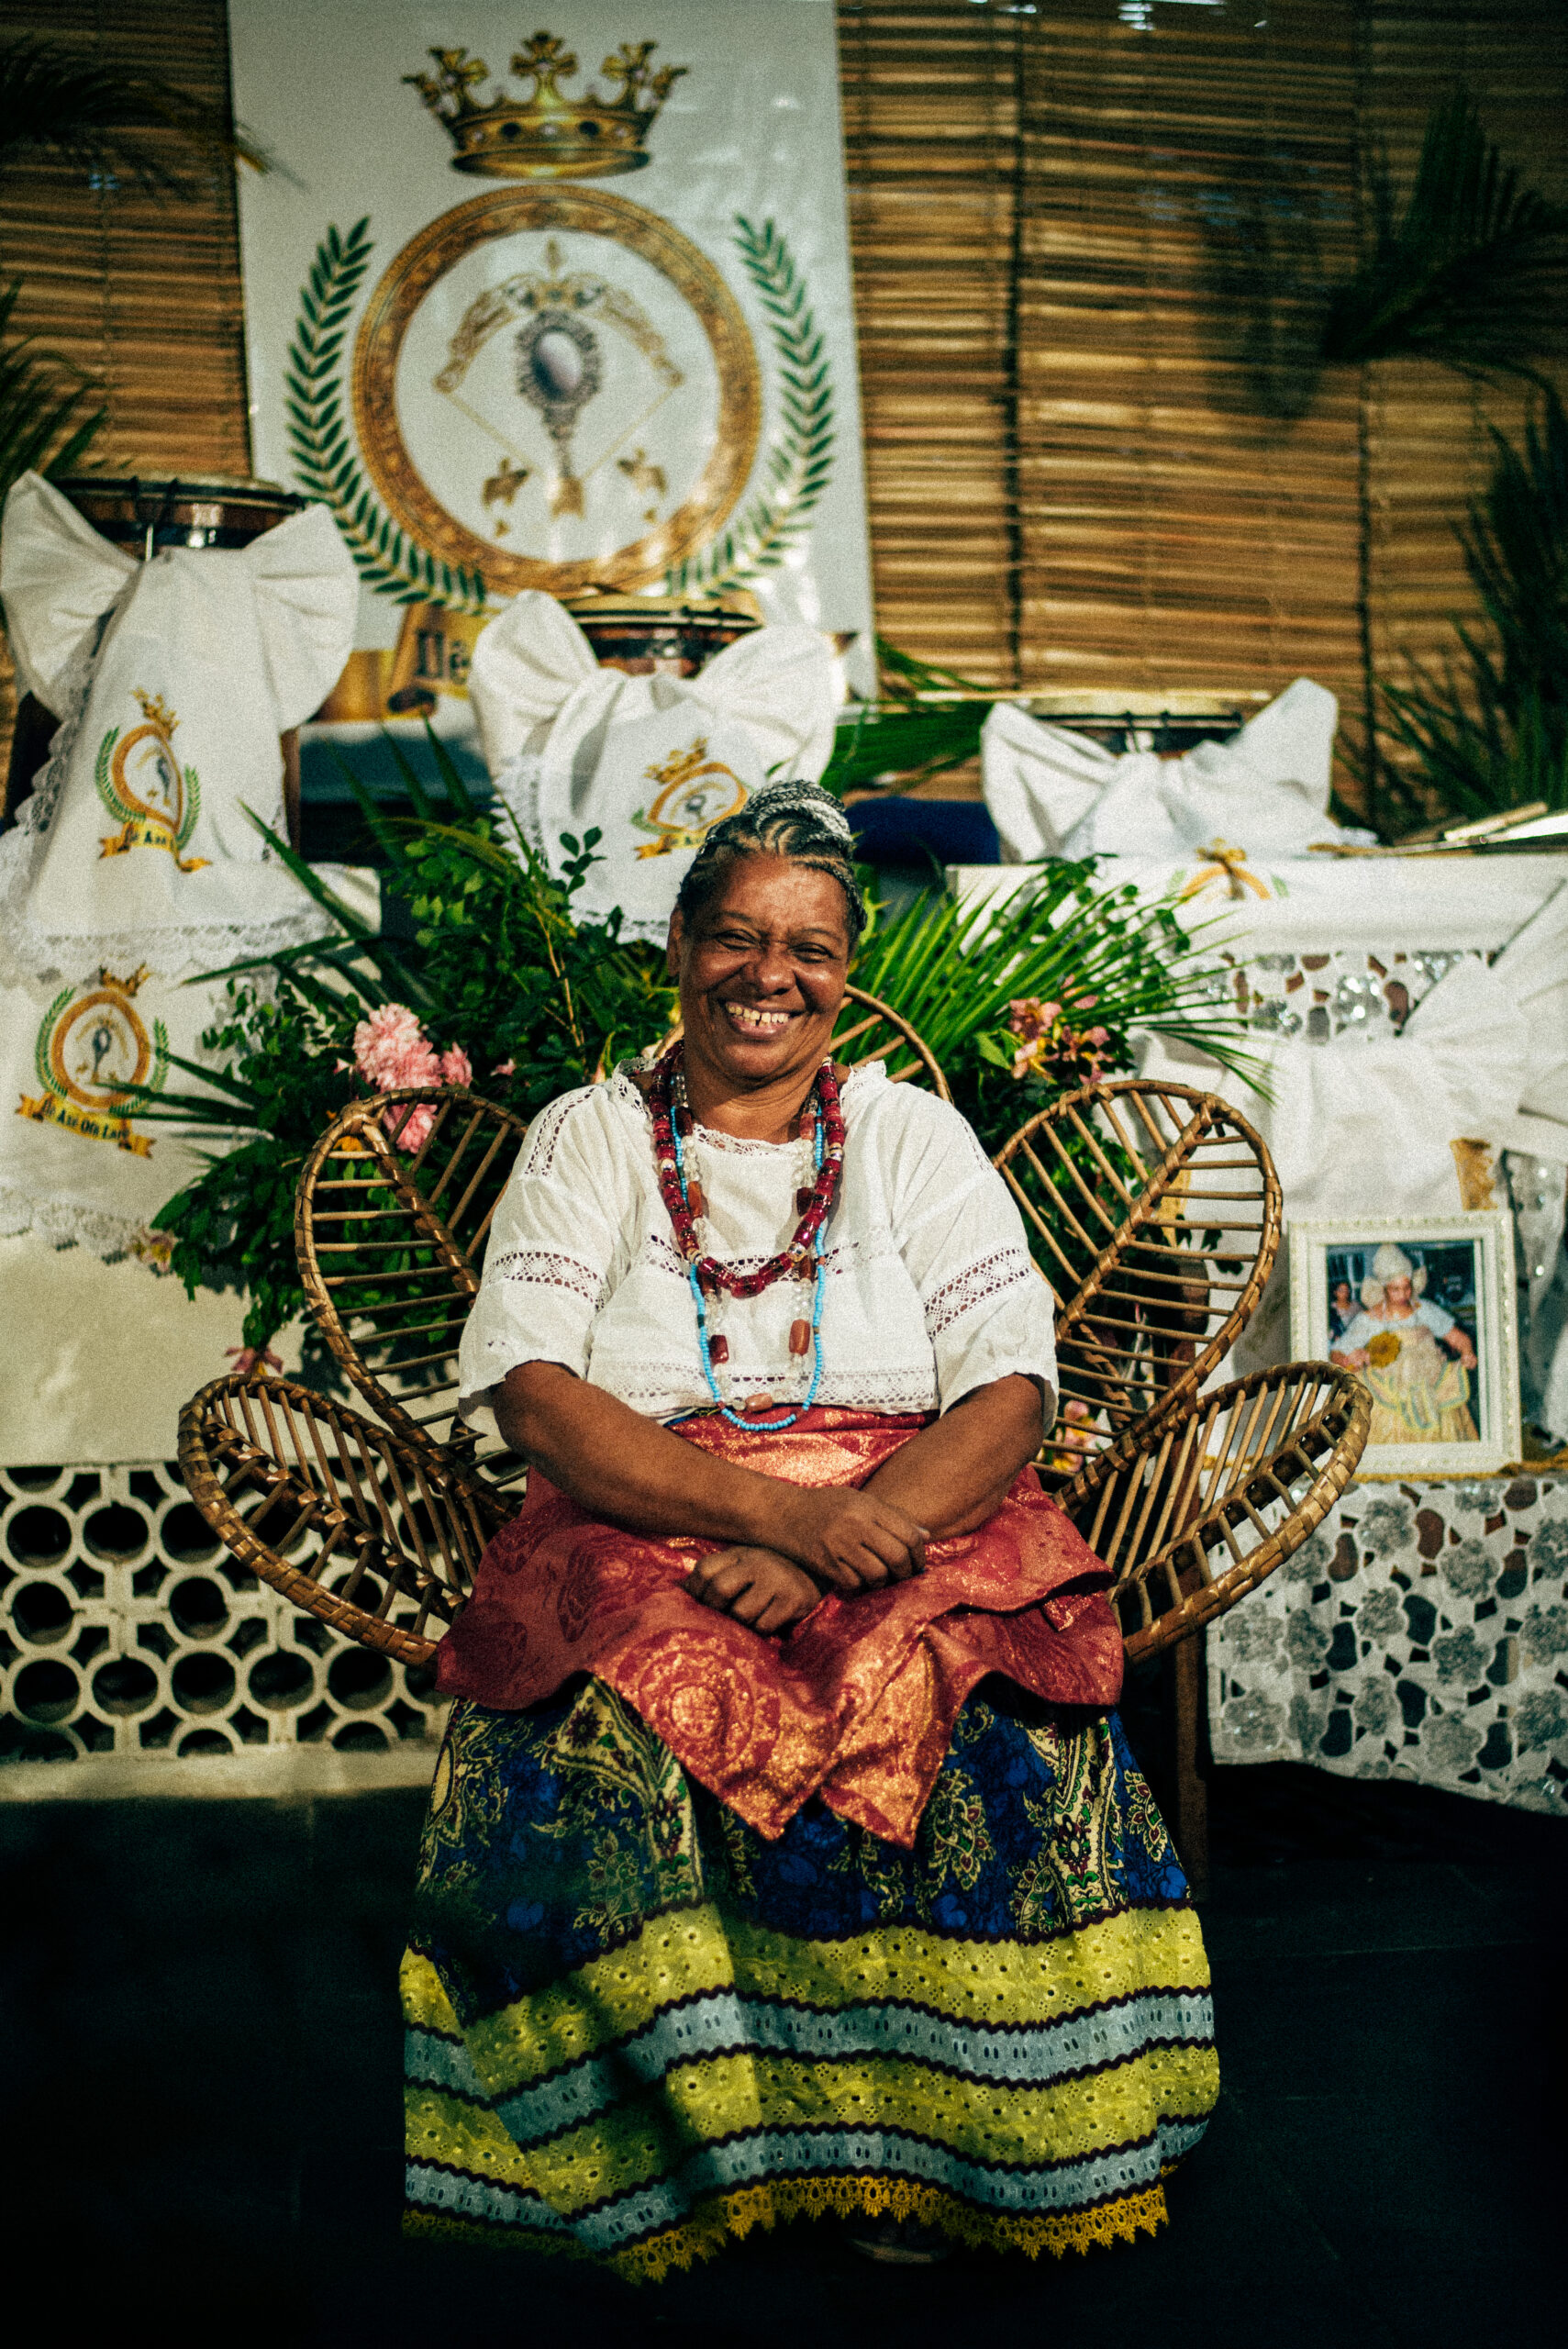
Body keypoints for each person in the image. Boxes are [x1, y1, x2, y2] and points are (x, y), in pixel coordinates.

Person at [401, 781, 1217, 2280]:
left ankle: (947, 2152)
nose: (767, 974)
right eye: (735, 936)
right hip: (649, 1503)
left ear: (845, 974)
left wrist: (843, 1539)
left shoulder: (909, 1137)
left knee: (974, 1714)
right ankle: (686, 2159)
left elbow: (1009, 1387)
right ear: (677, 946)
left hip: (912, 1508)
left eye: (809, 949)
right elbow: (535, 1394)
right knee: (620, 1723)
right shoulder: (590, 1138)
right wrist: (776, 1516)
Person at [1330, 1241, 1478, 1444]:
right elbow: (1337, 1352)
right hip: (1386, 1389)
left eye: (1407, 1288)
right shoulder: (1369, 1319)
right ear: (1384, 1289)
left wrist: (1468, 1352)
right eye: (1395, 1289)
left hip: (1430, 1382)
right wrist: (1350, 1360)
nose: (1403, 1295)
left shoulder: (1424, 1310)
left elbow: (1458, 1338)